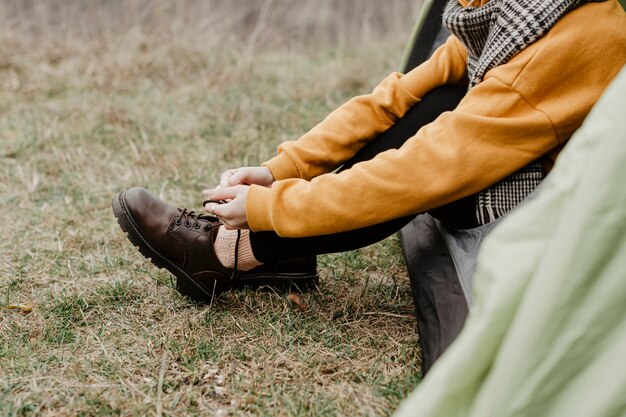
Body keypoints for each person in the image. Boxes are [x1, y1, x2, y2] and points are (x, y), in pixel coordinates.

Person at [112, 0, 626, 303]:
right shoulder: (509, 13)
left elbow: (419, 172)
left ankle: (232, 254)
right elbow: (391, 99)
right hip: (500, 157)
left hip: (549, 208)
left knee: (425, 137)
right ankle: (278, 250)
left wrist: (275, 209)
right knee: (430, 99)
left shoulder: (562, 42)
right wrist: (281, 171)